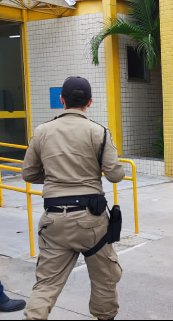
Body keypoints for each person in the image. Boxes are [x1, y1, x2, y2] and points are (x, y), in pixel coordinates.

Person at [21, 76, 126, 320]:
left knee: (46, 284)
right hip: (92, 222)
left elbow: (28, 173)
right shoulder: (99, 132)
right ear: (89, 102)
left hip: (53, 220)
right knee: (105, 277)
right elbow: (115, 175)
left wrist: (54, 179)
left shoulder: (42, 131)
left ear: (61, 100)